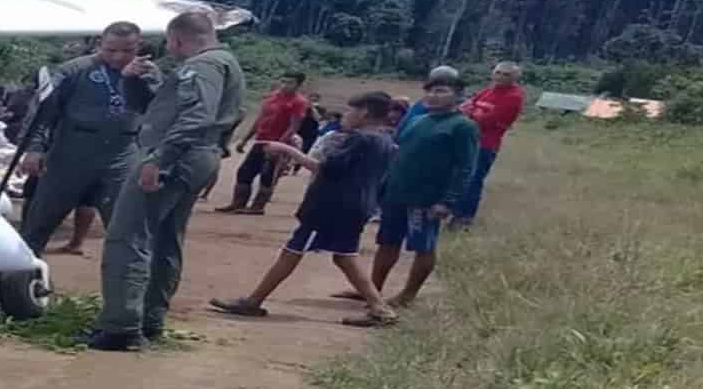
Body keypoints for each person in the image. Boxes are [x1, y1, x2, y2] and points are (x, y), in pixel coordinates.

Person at [84, 10, 245, 351]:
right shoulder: (224, 63)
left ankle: (121, 327)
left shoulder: (203, 66)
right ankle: (149, 318)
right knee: (164, 239)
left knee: (128, 236)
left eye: (170, 43)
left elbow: (197, 116)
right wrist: (134, 80)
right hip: (197, 156)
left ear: (178, 39)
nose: (169, 50)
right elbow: (163, 109)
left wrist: (160, 158)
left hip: (177, 157)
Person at [209, 91, 402, 326]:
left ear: (364, 113)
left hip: (331, 207)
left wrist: (287, 150)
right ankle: (380, 309)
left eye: (350, 110)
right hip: (356, 206)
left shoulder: (360, 139)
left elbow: (324, 168)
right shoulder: (385, 141)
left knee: (294, 250)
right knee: (343, 256)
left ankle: (253, 301)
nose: (346, 115)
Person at [13, 22, 158, 260]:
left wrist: (138, 80)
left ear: (139, 46)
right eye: (111, 50)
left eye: (127, 50)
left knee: (127, 225)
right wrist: (34, 148)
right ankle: (20, 273)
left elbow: (156, 110)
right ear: (99, 43)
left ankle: (128, 279)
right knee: (39, 221)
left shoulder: (148, 72)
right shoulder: (74, 70)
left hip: (122, 153)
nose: (119, 57)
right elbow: (42, 111)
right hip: (71, 152)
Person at [363, 74, 479, 309]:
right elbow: (398, 150)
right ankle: (372, 290)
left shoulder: (463, 126)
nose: (433, 96)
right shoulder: (417, 120)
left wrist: (448, 201)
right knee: (387, 242)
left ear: (458, 96)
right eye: (430, 91)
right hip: (397, 191)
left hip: (427, 198)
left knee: (423, 246)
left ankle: (407, 295)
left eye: (441, 91)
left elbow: (466, 168)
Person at [218, 71, 309, 214]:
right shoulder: (272, 97)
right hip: (261, 140)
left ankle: (258, 207)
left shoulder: (298, 102)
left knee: (267, 175)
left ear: (299, 85)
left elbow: (294, 126)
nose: (285, 85)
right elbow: (260, 119)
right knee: (244, 172)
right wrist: (245, 139)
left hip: (277, 143)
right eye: (283, 81)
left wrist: (279, 146)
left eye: (290, 83)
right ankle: (238, 203)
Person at [453, 61, 524, 226]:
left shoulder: (514, 97)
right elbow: (464, 107)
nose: (500, 77)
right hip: (468, 140)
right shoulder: (488, 91)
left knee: (474, 180)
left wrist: (472, 114)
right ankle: (454, 212)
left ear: (515, 78)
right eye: (498, 72)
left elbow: (488, 121)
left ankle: (464, 218)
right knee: (459, 177)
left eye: (506, 75)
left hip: (486, 144)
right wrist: (473, 113)